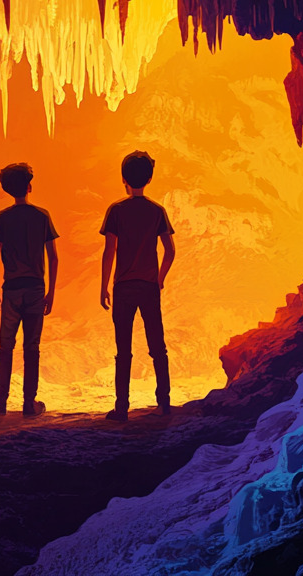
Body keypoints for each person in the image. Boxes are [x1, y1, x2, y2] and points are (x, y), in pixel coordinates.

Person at [99, 151, 177, 422]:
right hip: (148, 286)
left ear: (123, 179)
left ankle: (122, 408)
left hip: (123, 286)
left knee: (123, 349)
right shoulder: (157, 211)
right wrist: (160, 277)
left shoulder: (116, 210)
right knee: (157, 345)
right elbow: (170, 250)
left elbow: (110, 251)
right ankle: (164, 403)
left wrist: (103, 285)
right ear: (150, 178)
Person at [0, 163, 59, 416]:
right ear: (30, 187)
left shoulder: (3, 217)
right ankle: (30, 403)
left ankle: (1, 402)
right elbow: (53, 258)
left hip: (11, 289)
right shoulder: (42, 216)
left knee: (5, 346)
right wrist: (51, 291)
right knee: (32, 347)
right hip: (36, 288)